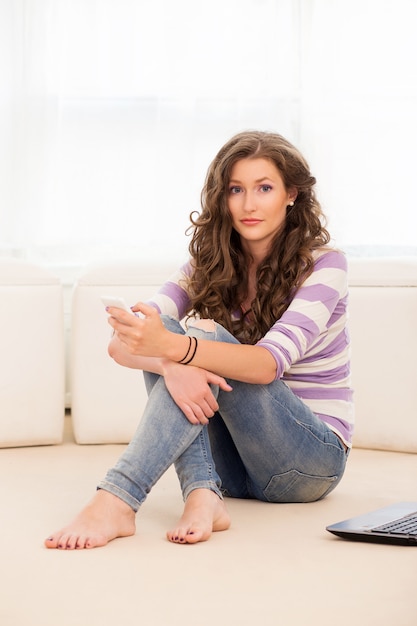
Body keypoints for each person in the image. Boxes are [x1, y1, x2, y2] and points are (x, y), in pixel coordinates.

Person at [45, 130, 353, 550]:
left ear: (291, 194)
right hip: (233, 468)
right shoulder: (207, 263)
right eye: (235, 190)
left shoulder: (326, 265)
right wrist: (170, 364)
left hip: (309, 461)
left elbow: (265, 365)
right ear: (221, 198)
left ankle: (117, 498)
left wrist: (174, 350)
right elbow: (122, 344)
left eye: (264, 188)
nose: (248, 204)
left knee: (195, 339)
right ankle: (204, 494)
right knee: (168, 335)